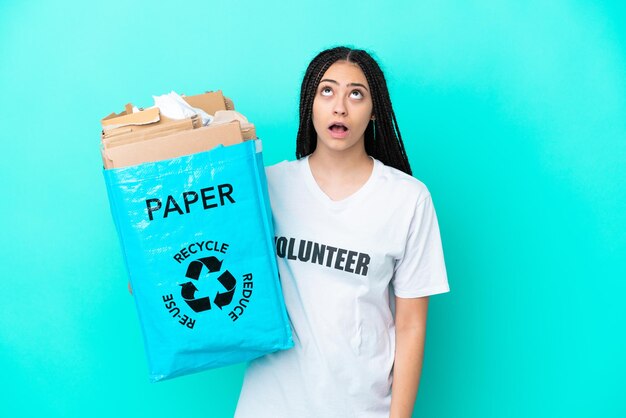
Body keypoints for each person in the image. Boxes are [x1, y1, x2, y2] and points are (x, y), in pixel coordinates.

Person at [234, 46, 450, 418]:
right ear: (310, 104)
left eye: (356, 94)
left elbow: (411, 325)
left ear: (374, 109)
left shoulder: (407, 199)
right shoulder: (267, 186)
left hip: (362, 408)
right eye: (327, 91)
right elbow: (219, 259)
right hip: (268, 405)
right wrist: (154, 280)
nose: (340, 107)